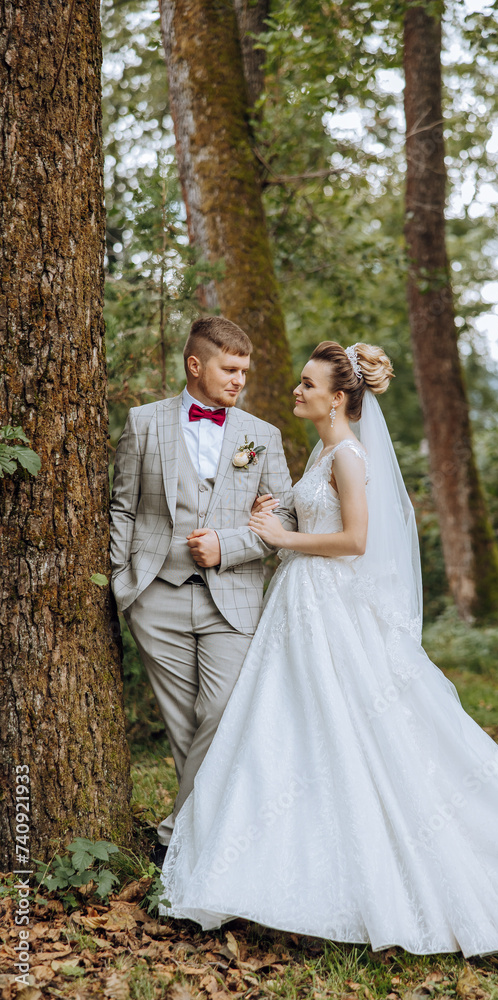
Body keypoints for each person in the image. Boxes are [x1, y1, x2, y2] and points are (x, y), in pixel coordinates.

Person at [158, 340, 498, 961]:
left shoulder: (350, 456)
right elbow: (320, 521)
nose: (297, 391)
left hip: (327, 605)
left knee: (349, 729)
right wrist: (272, 516)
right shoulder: (324, 450)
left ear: (338, 397)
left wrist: (284, 537)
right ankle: (270, 867)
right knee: (294, 730)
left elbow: (356, 540)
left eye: (308, 384)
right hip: (302, 604)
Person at [109, 317, 295, 857]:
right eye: (229, 369)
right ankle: (209, 847)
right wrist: (124, 585)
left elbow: (285, 524)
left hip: (232, 597)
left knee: (223, 713)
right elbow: (123, 506)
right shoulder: (144, 423)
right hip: (156, 595)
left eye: (244, 371)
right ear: (196, 365)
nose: (240, 381)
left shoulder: (262, 437)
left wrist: (229, 544)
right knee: (182, 725)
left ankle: (175, 839)